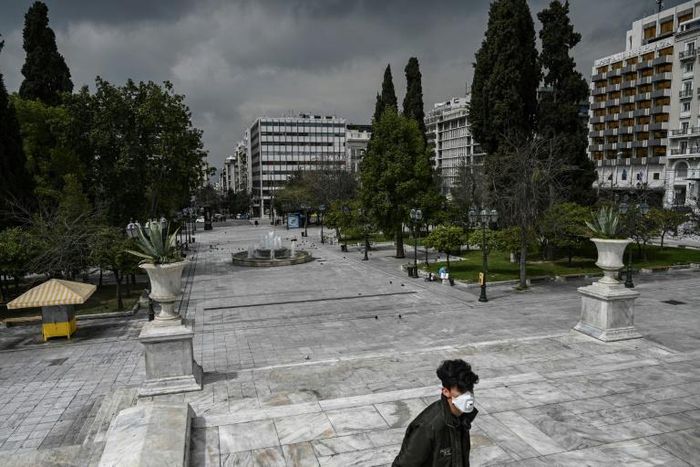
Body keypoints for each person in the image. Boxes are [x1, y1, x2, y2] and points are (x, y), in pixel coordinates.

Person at [392, 359, 479, 467]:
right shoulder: (429, 427)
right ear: (446, 392)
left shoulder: (462, 418)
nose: (468, 396)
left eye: (469, 389)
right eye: (461, 390)